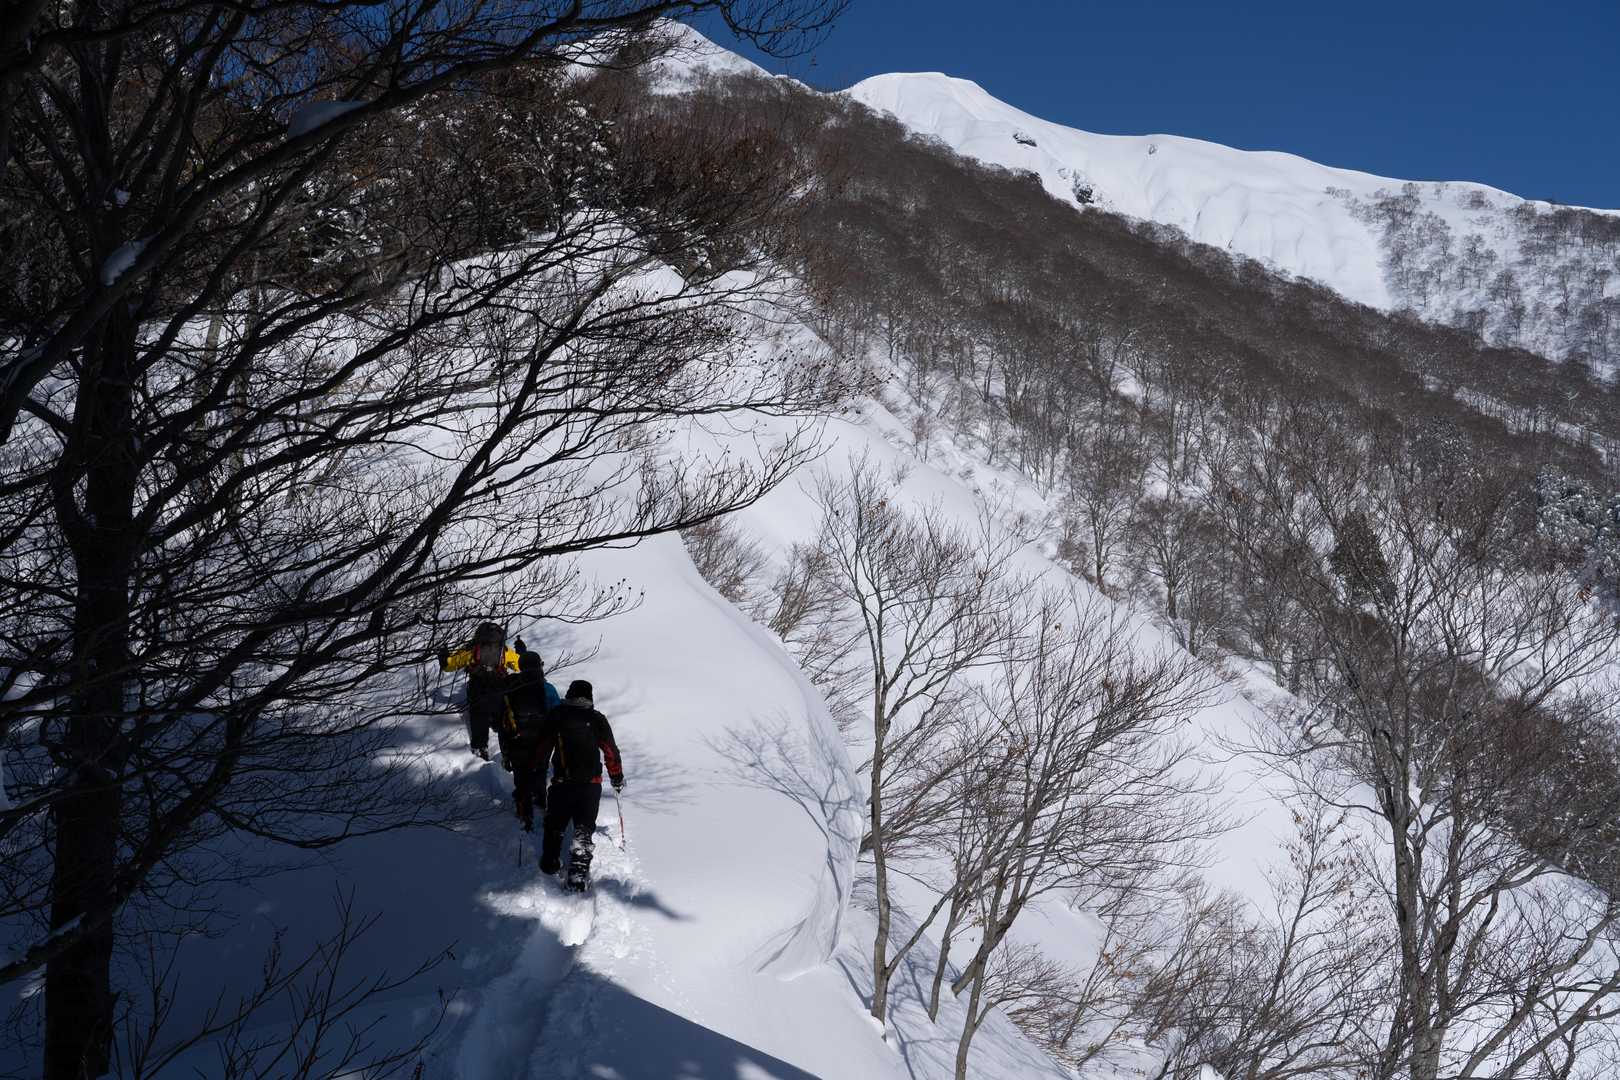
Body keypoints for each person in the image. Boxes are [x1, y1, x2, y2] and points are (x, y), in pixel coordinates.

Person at [517, 679, 624, 891]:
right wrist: (616, 776)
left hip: (562, 783)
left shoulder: (556, 716)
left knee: (555, 825)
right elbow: (610, 750)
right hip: (590, 785)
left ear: (569, 695)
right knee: (584, 827)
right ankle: (578, 875)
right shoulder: (596, 719)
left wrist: (533, 769)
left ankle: (550, 863)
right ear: (590, 697)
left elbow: (542, 747)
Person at [439, 622, 519, 762]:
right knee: (502, 716)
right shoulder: (503, 650)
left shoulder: (472, 649)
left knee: (478, 716)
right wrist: (522, 652)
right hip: (499, 688)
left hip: (478, 688)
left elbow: (449, 665)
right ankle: (506, 746)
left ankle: (480, 748)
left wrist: (443, 655)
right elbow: (519, 664)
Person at [506, 648, 561, 826]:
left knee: (521, 773)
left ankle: (524, 811)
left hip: (517, 738)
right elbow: (557, 713)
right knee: (540, 768)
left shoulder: (511, 686)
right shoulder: (547, 688)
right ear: (540, 666)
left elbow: (502, 713)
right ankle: (540, 798)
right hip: (542, 739)